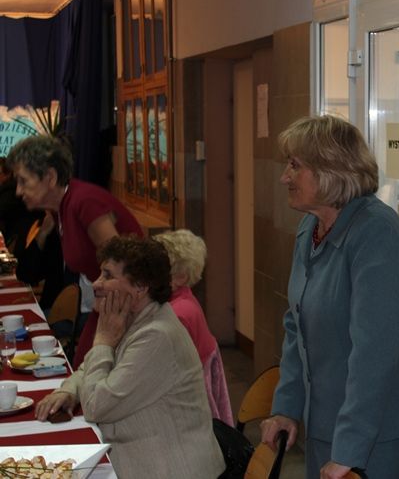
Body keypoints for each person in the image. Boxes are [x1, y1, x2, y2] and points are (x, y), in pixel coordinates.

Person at [260, 115, 399, 479]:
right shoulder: (312, 226)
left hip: (374, 430)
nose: (284, 177)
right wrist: (287, 406)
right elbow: (297, 324)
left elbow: (375, 354)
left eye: (295, 165)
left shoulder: (376, 232)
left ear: (330, 171)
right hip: (325, 416)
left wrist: (350, 450)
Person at [34, 236, 225, 478]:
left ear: (140, 286)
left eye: (107, 275)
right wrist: (69, 391)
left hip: (170, 469)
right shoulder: (134, 317)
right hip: (142, 459)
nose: (96, 283)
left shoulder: (157, 336)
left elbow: (95, 406)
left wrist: (103, 341)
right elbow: (88, 368)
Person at [7, 135, 143, 366]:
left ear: (50, 177)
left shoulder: (84, 201)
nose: (18, 191)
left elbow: (124, 267)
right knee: (80, 370)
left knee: (87, 371)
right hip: (106, 306)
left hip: (128, 309)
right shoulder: (60, 209)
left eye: (23, 181)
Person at [153, 228, 235, 426]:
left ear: (180, 277)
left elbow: (165, 374)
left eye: (156, 269)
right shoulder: (184, 299)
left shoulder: (177, 314)